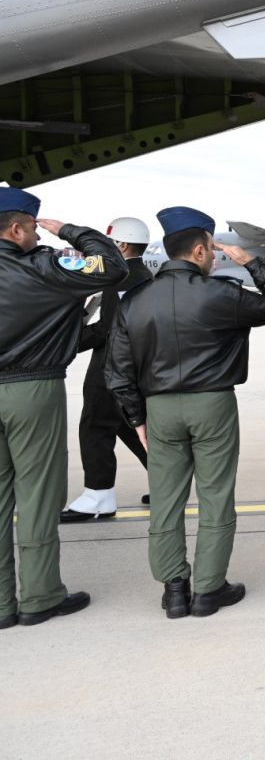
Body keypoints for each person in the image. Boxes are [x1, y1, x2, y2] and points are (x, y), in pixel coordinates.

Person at [106, 206, 265, 619]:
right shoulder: (222, 294)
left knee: (166, 499)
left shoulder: (135, 300)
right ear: (202, 250)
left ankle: (173, 590)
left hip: (159, 406)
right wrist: (252, 262)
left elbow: (117, 369)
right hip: (213, 403)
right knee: (215, 495)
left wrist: (136, 417)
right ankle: (208, 589)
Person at [0, 188, 127, 627]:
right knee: (36, 493)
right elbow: (113, 266)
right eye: (33, 228)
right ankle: (39, 597)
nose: (38, 235)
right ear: (17, 228)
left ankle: (1, 604)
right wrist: (71, 231)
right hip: (31, 388)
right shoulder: (46, 266)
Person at [62, 216, 154, 522]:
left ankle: (98, 496)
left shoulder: (120, 279)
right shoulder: (148, 278)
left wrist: (67, 344)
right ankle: (167, 483)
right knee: (128, 426)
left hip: (109, 368)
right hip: (139, 367)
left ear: (122, 245)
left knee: (95, 427)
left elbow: (106, 330)